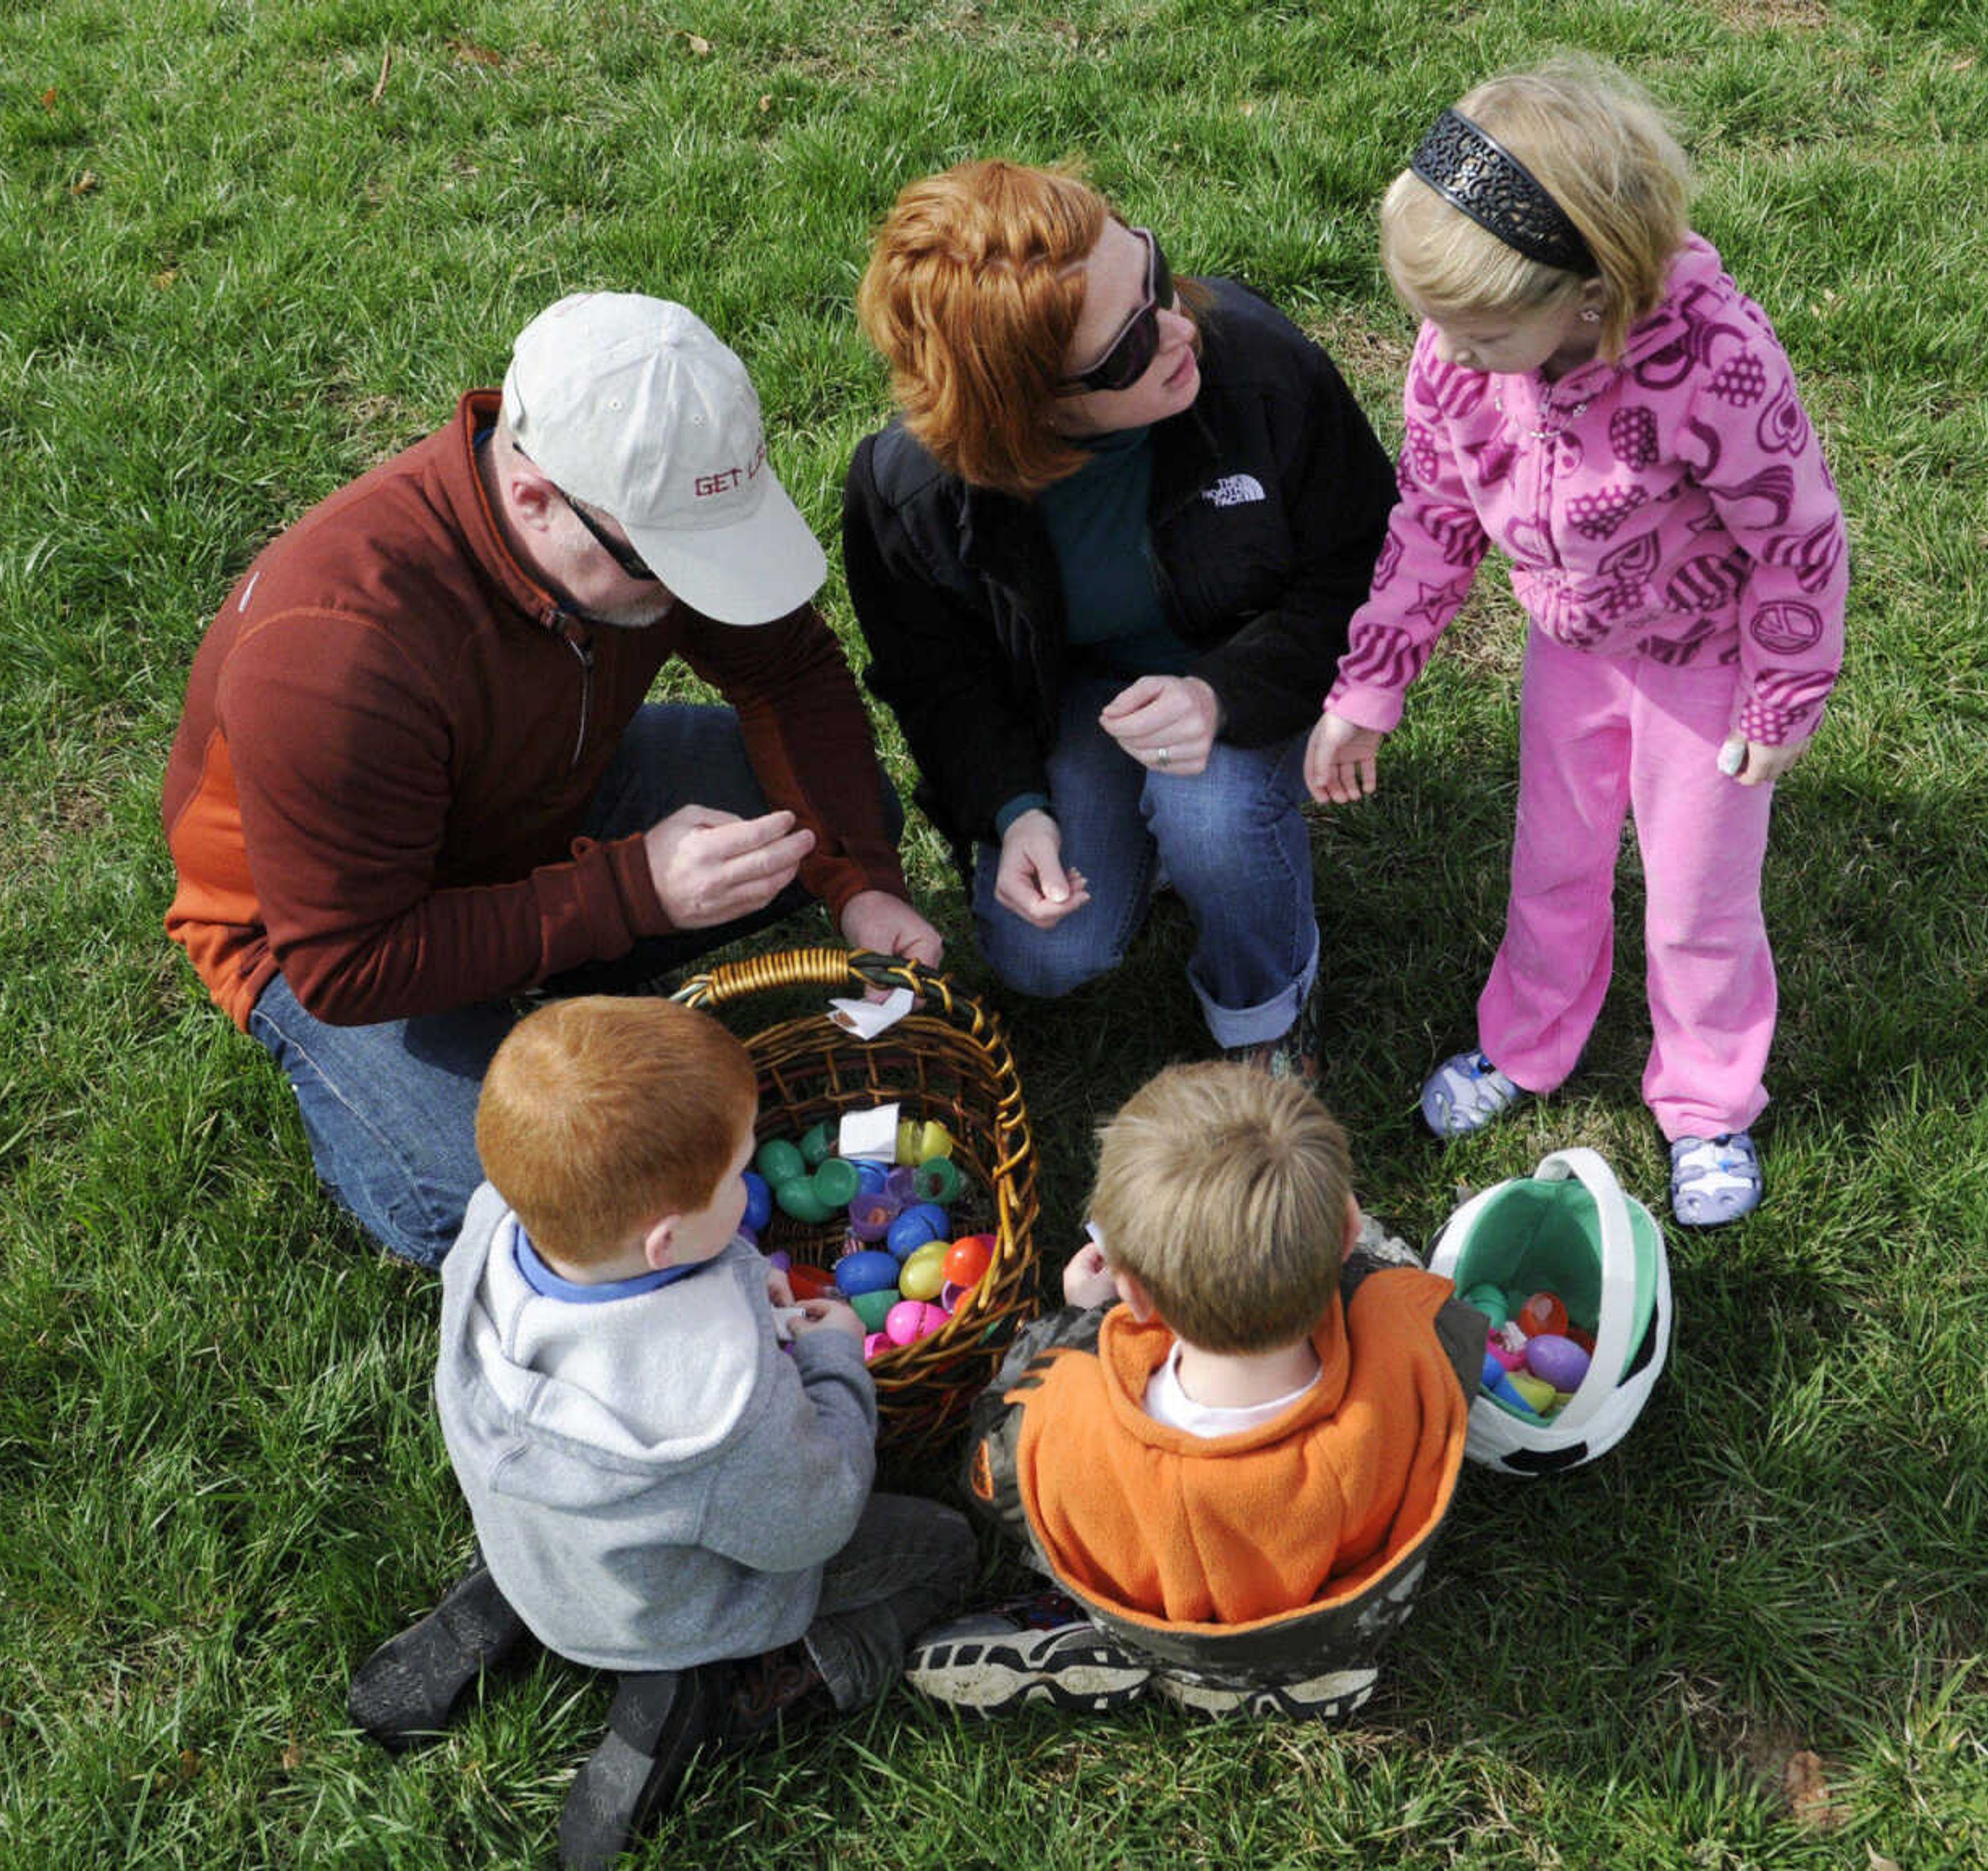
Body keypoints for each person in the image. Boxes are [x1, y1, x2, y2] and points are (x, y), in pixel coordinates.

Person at [162, 293, 942, 1267]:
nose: (688, 595)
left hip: (550, 795)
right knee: (528, 1204)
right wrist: (631, 890)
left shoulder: (630, 517)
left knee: (829, 815)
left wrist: (859, 878)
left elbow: (786, 668)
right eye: (662, 566)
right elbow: (345, 962)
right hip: (331, 939)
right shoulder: (335, 657)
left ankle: (549, 971)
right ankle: (447, 1059)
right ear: (534, 497)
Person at [1304, 61, 1849, 1226]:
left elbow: (1796, 537)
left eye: (1483, 326)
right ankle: (1529, 1039)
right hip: (1574, 654)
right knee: (1552, 858)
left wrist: (1781, 695)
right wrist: (1372, 684)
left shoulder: (1718, 359)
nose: (1446, 348)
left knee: (1700, 894)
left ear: (1594, 293)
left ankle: (1708, 1102)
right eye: (1433, 321)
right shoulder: (1461, 352)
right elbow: (1436, 515)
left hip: (1706, 662)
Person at [346, 996, 975, 1865]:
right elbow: (815, 1519)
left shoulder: (497, 1227)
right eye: (739, 1175)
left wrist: (738, 1283)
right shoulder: (717, 1400)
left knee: (576, 1540)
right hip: (675, 1606)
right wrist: (833, 1363)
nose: (750, 1180)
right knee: (944, 1549)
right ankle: (743, 1687)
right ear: (666, 1239)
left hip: (542, 1545)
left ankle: (504, 1606)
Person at [843, 162, 1397, 1083]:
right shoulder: (911, 495)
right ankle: (1152, 842)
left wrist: (1225, 693)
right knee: (1043, 956)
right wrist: (1013, 809)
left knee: (1210, 813)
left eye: (1155, 273)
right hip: (1073, 704)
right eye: (1129, 345)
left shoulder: (1257, 365)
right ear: (1029, 412)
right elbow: (937, 681)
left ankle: (1267, 1019)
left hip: (1253, 661)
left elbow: (1367, 566)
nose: (1181, 326)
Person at [903, 1063, 1482, 1721]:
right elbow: (1431, 1319)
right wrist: (1363, 1270)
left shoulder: (1067, 1414)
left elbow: (993, 1476)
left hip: (1153, 1611)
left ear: (1136, 1292)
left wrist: (1080, 1322)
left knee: (1055, 1523)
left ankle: (1102, 1637)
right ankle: (1295, 1667)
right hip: (1339, 1614)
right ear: (1349, 1232)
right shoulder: (1410, 1351)